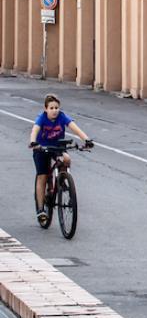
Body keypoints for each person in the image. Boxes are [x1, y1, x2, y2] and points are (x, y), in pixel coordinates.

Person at [29, 93, 93, 223]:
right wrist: (33, 142)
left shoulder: (62, 117)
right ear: (46, 109)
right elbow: (35, 130)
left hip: (57, 146)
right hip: (41, 148)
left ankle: (63, 181)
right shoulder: (42, 118)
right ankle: (41, 209)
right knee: (42, 176)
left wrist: (86, 139)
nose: (54, 111)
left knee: (67, 159)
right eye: (51, 108)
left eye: (56, 108)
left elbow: (75, 128)